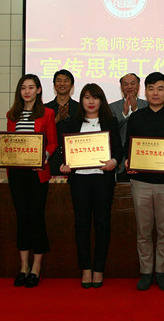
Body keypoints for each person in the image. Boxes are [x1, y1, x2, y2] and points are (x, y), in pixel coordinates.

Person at [124, 72, 164, 291]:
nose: (155, 93)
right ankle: (146, 271)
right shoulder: (136, 117)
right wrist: (129, 160)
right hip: (141, 181)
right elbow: (128, 146)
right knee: (144, 231)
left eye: (160, 88)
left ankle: (161, 271)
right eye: (151, 88)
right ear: (145, 91)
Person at [0, 74, 58, 288]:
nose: (27, 91)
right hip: (17, 174)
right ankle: (23, 266)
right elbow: (11, 143)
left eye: (31, 87)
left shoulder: (48, 113)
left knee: (36, 218)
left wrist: (43, 157)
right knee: (22, 218)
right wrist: (1, 140)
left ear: (39, 90)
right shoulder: (12, 114)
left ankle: (36, 267)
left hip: (37, 173)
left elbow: (52, 143)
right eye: (23, 88)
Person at [59, 83, 123, 289]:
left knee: (103, 224)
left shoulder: (110, 122)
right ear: (82, 101)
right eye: (87, 97)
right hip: (80, 181)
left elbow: (119, 150)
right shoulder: (73, 122)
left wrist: (114, 161)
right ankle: (86, 268)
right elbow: (64, 151)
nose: (91, 101)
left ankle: (99, 269)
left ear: (101, 101)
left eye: (95, 97)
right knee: (82, 225)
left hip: (102, 180)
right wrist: (65, 165)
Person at [109, 73, 148, 177]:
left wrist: (135, 111)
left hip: (143, 156)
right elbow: (110, 131)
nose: (129, 87)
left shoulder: (147, 105)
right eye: (126, 84)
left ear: (138, 86)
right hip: (120, 159)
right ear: (121, 87)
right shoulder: (111, 107)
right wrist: (124, 115)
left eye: (133, 83)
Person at [45, 69, 79, 176]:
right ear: (54, 85)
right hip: (51, 157)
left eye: (66, 80)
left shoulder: (79, 108)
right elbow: (41, 132)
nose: (62, 84)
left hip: (74, 157)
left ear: (72, 85)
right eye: (59, 80)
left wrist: (67, 118)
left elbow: (81, 132)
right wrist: (56, 119)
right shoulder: (45, 108)